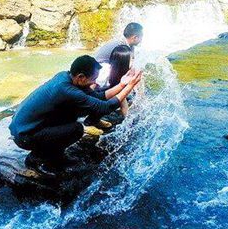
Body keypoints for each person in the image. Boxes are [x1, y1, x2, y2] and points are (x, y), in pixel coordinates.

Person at [9, 55, 142, 175]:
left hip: (23, 128)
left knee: (71, 116)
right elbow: (104, 107)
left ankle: (56, 156)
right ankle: (35, 159)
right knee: (76, 129)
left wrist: (122, 84)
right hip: (24, 136)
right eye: (94, 79)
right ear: (81, 77)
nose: (95, 82)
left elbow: (99, 97)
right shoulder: (67, 90)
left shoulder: (66, 76)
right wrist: (130, 86)